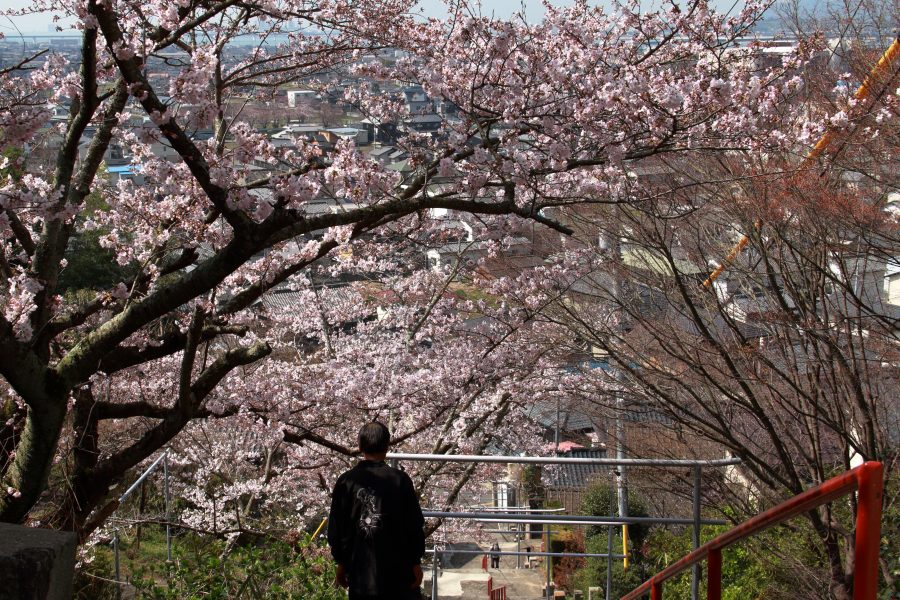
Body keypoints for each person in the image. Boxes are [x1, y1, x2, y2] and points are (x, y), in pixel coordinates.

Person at [327, 422, 425, 600]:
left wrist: (341, 562)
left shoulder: (346, 482)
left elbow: (337, 529)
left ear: (360, 446)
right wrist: (415, 561)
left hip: (361, 576)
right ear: (387, 446)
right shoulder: (400, 480)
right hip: (400, 575)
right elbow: (414, 525)